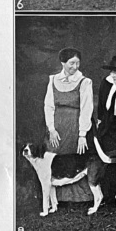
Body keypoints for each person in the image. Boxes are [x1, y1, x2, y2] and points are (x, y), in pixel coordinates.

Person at [43, 48, 94, 202]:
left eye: (78, 63)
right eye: (72, 63)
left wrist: (82, 134)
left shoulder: (85, 82)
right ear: (63, 63)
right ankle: (55, 197)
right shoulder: (53, 80)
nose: (75, 66)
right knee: (54, 156)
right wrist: (51, 129)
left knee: (74, 157)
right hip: (56, 128)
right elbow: (48, 106)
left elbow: (87, 108)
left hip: (75, 126)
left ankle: (78, 198)